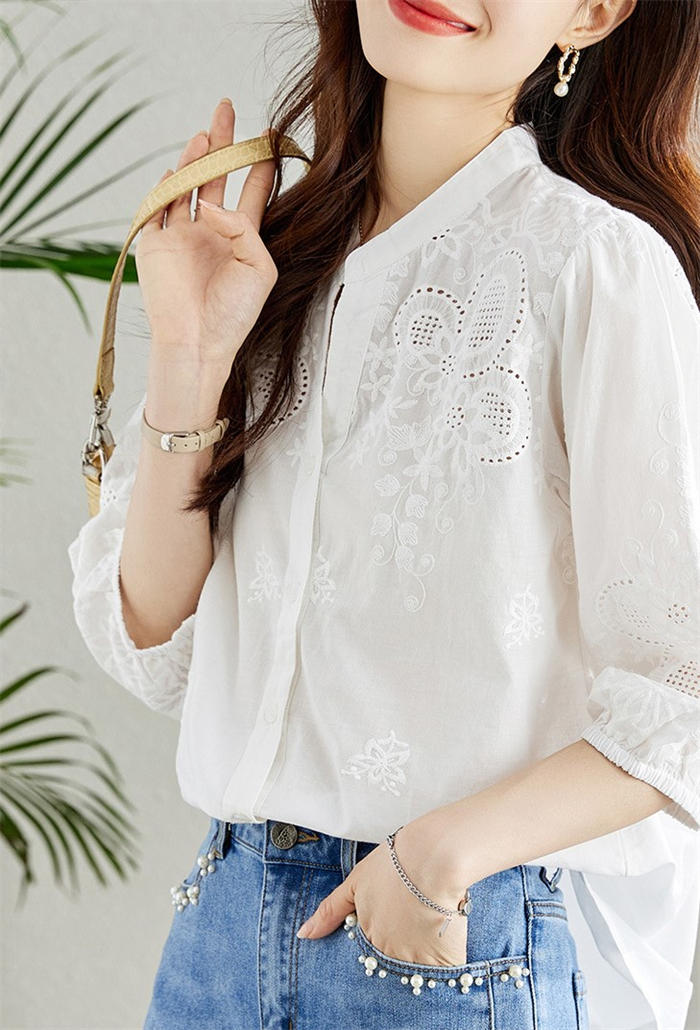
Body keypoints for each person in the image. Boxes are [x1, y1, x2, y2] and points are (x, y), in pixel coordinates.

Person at [67, 1, 700, 1027]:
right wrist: (187, 356)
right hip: (219, 931)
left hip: (450, 942)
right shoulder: (264, 259)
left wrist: (441, 854)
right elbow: (154, 643)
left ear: (591, 13)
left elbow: (683, 685)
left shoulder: (595, 265)